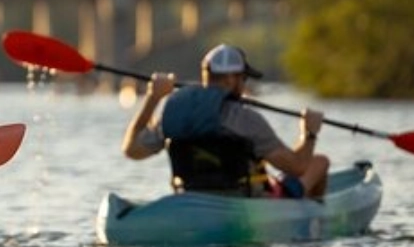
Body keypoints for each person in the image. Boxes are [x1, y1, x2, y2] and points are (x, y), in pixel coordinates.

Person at [121, 44, 329, 200]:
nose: (244, 84)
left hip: (193, 199)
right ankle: (313, 214)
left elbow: (131, 150)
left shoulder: (175, 112)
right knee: (320, 162)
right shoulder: (247, 120)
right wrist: (309, 133)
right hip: (246, 203)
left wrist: (153, 98)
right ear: (232, 80)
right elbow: (298, 167)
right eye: (243, 79)